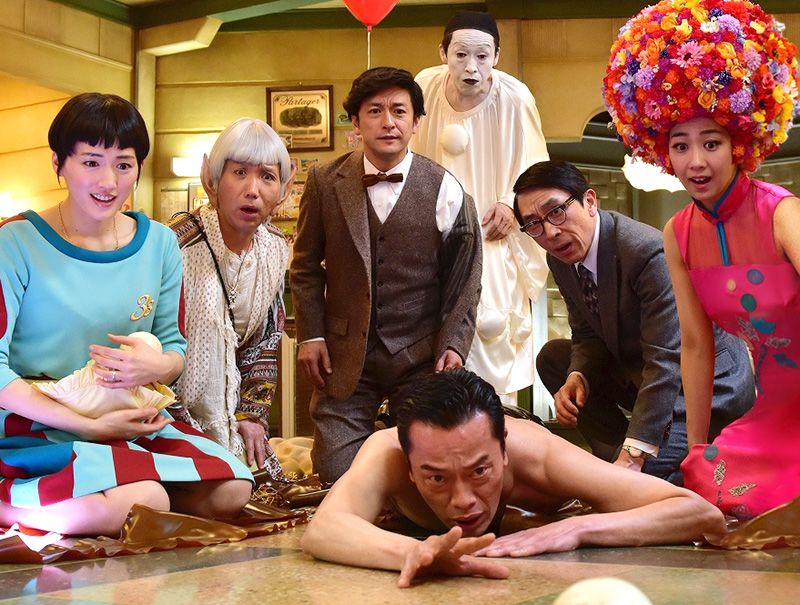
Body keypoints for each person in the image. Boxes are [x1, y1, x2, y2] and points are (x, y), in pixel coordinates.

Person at [0, 93, 253, 536]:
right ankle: (13, 506)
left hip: (128, 418)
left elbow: (174, 349)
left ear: (138, 168)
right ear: (59, 163)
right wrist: (86, 424)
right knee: (145, 501)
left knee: (231, 491)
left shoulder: (158, 243)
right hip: (39, 422)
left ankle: (114, 494)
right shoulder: (16, 241)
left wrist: (156, 366)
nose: (108, 181)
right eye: (91, 162)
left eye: (123, 164)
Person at [603, 0, 800, 519]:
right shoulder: (679, 234)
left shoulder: (783, 214)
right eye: (680, 145)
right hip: (773, 411)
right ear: (661, 151)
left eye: (711, 143)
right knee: (711, 486)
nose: (696, 162)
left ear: (739, 143)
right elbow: (694, 345)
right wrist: (695, 448)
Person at [301, 369, 725, 587]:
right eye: (436, 479)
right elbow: (324, 529)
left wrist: (577, 529)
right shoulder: (387, 451)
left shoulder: (538, 454)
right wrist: (414, 552)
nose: (463, 499)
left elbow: (699, 512)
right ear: (410, 468)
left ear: (503, 451)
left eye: (479, 471)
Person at [290, 67, 482, 484]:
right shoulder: (324, 181)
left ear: (416, 122)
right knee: (336, 476)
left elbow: (466, 278)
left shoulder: (445, 187)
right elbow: (304, 265)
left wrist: (454, 343)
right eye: (375, 111)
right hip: (343, 356)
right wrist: (311, 335)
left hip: (418, 354)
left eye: (399, 111)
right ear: (356, 123)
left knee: (426, 475)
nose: (388, 122)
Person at [515, 160, 754, 483]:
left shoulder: (647, 254)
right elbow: (586, 333)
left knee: (632, 478)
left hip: (705, 388)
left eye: (556, 211)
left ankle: (633, 461)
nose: (550, 232)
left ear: (589, 201)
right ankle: (618, 456)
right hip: (643, 374)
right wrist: (577, 376)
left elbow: (666, 361)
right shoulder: (560, 259)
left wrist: (635, 453)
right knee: (554, 358)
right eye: (533, 224)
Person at [411, 11, 550, 404]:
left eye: (482, 56)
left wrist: (511, 204)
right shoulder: (424, 87)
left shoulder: (515, 97)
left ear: (496, 57)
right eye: (460, 55)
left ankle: (496, 420)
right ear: (443, 53)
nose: (471, 67)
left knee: (491, 328)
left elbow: (534, 163)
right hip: (434, 236)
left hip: (493, 231)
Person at [170, 118, 294, 480]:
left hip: (232, 416)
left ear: (283, 190)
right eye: (239, 172)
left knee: (272, 492)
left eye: (267, 176)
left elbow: (265, 337)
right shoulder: (174, 246)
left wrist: (251, 415)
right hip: (170, 418)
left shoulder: (275, 248)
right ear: (211, 180)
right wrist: (182, 426)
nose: (252, 190)